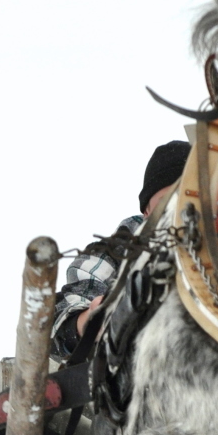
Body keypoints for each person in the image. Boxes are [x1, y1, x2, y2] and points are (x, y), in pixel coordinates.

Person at [51, 140, 192, 358]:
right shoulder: (114, 253)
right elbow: (67, 311)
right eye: (167, 202)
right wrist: (87, 321)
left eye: (189, 198)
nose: (178, 210)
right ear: (147, 210)